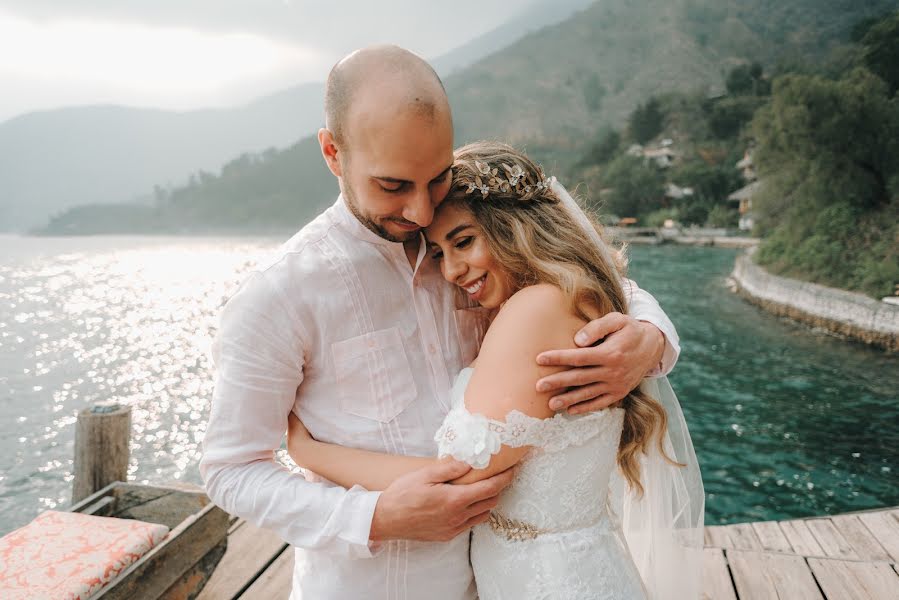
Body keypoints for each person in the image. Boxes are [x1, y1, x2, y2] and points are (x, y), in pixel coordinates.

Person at [200, 46, 682, 600]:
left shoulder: (464, 242)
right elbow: (231, 471)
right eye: (393, 186)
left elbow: (589, 280)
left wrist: (650, 338)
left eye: (436, 178)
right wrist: (371, 516)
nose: (422, 212)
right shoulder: (278, 296)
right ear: (334, 153)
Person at [286, 141, 704, 599]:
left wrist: (310, 454)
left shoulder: (536, 307)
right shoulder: (568, 293)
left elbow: (460, 476)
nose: (451, 271)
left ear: (513, 227)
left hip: (554, 582)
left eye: (463, 241)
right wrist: (651, 330)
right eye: (439, 253)